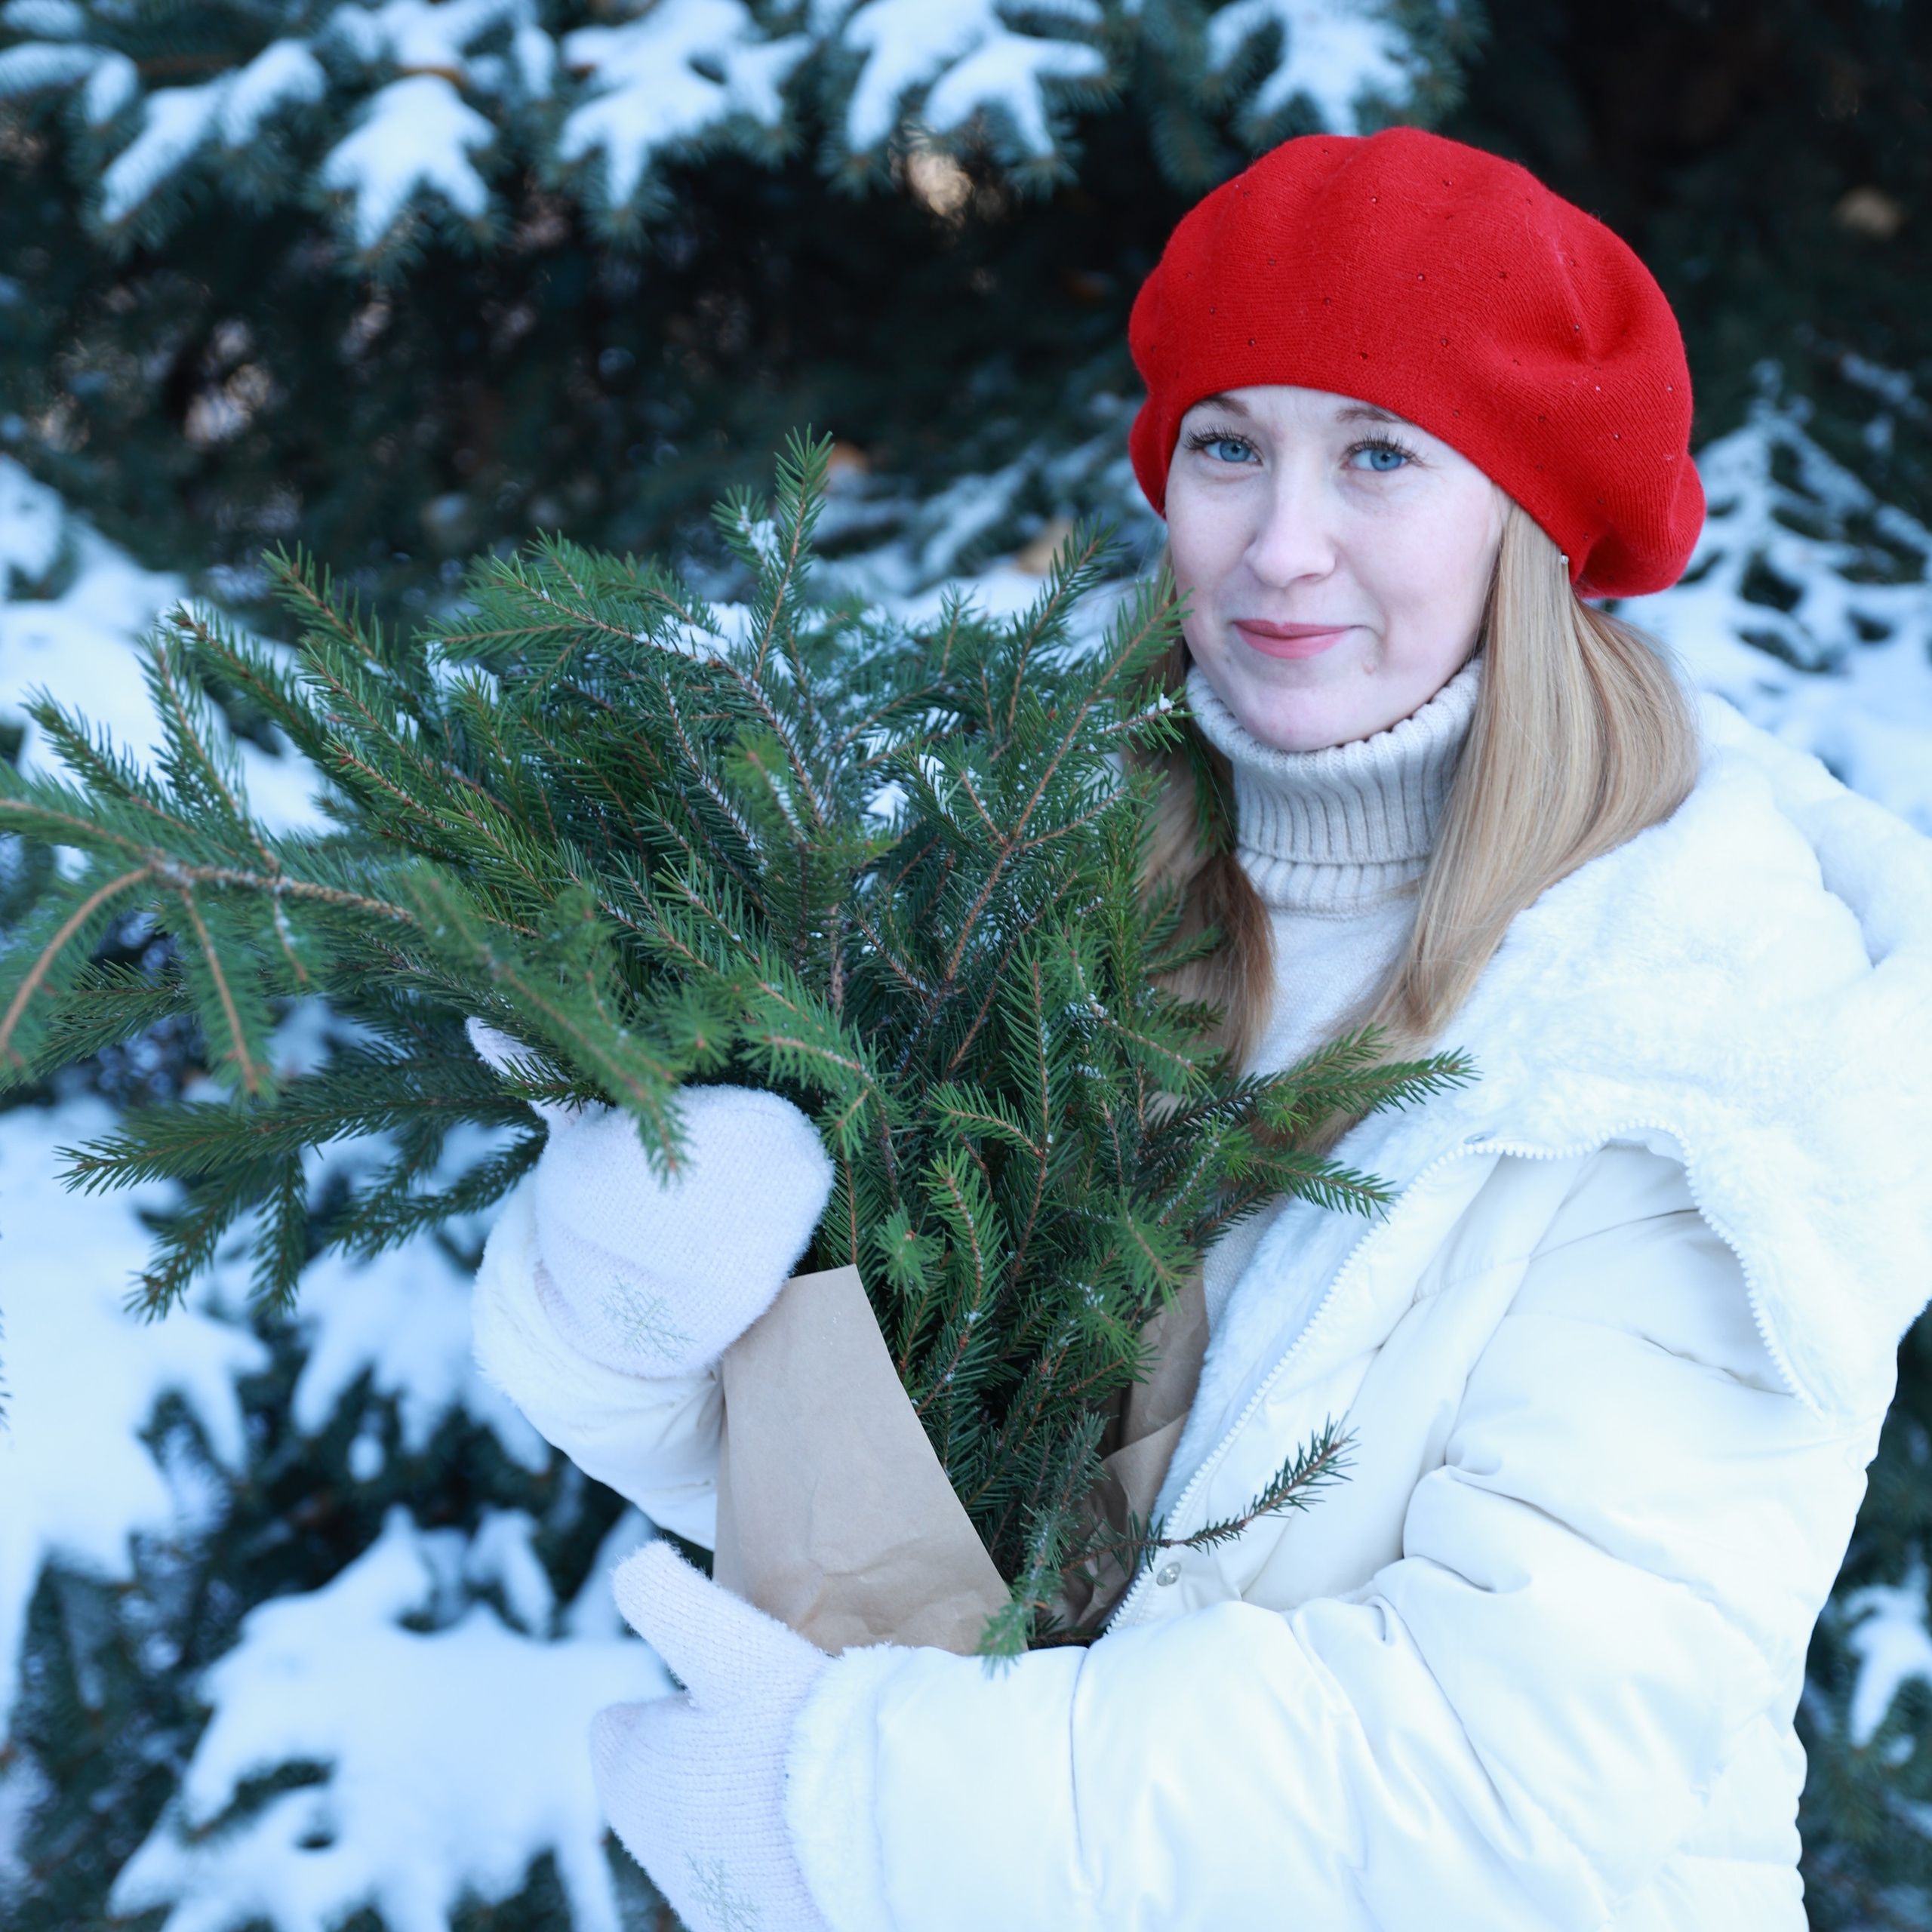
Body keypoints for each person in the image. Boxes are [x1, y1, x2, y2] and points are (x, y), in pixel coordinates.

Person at [470, 128, 1932, 1931]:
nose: (1278, 542)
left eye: (1378, 453)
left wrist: (865, 1805)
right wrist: (628, 1305)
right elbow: (907, 1461)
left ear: (1531, 522)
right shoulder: (1039, 884)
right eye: (1227, 444)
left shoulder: (1699, 1038)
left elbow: (1511, 1763)